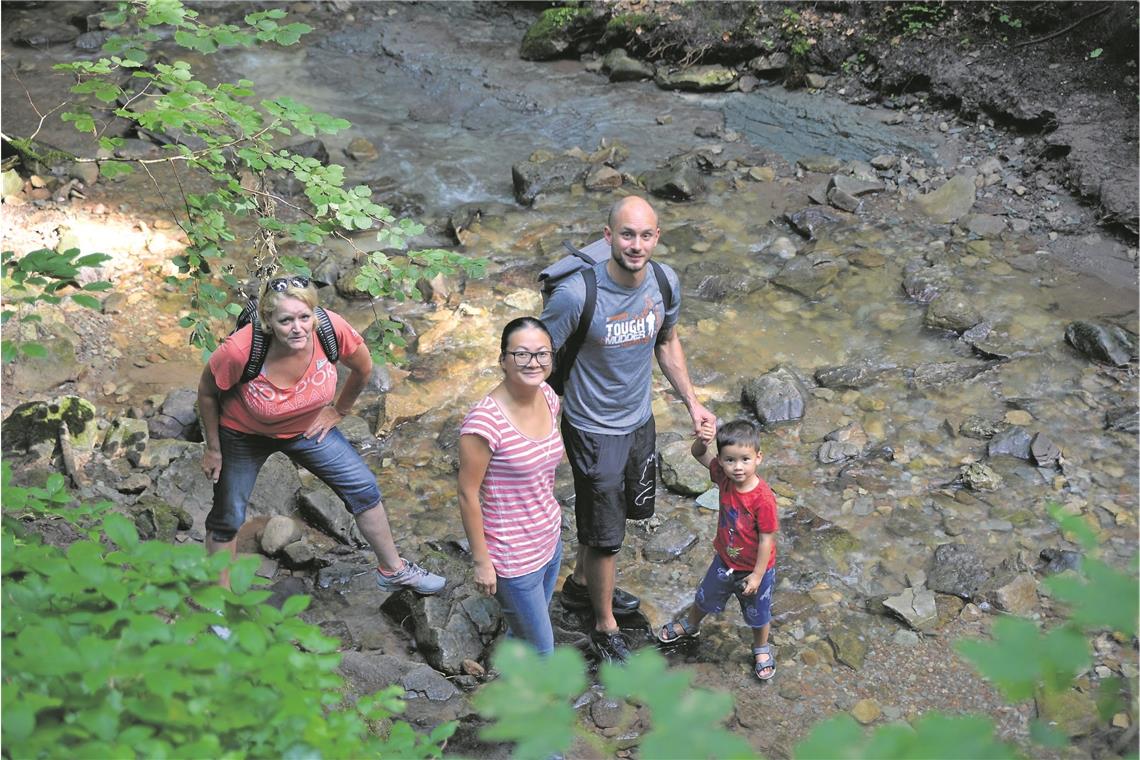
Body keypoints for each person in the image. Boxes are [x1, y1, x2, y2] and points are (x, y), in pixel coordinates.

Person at [540, 196, 715, 664]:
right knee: (606, 536)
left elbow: (668, 341)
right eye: (626, 234)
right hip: (592, 428)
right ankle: (603, 623)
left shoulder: (663, 281)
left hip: (639, 421)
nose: (635, 245)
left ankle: (581, 587)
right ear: (608, 236)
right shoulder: (577, 295)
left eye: (645, 235)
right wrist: (526, 426)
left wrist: (692, 401)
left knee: (622, 517)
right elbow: (535, 360)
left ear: (657, 237)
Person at [198, 275, 445, 595]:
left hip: (307, 426)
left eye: (304, 317)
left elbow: (363, 368)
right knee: (228, 515)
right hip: (243, 433)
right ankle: (218, 598)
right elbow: (206, 393)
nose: (298, 327)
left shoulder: (330, 329)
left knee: (364, 488)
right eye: (286, 320)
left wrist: (339, 410)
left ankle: (392, 570)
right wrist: (214, 449)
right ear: (269, 321)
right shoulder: (240, 350)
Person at [457, 317, 565, 655]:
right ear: (503, 359)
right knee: (544, 651)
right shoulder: (484, 423)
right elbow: (467, 493)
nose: (533, 363)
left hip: (550, 539)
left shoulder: (548, 396)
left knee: (525, 634)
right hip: (511, 558)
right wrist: (482, 561)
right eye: (521, 354)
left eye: (541, 354)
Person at [656, 419, 779, 682]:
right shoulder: (723, 478)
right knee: (704, 597)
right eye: (730, 460)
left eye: (745, 459)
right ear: (721, 462)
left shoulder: (763, 499)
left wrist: (757, 576)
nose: (738, 467)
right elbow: (698, 454)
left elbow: (767, 540)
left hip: (756, 569)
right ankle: (690, 626)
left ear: (758, 457)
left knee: (759, 613)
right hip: (725, 560)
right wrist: (703, 441)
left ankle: (761, 647)